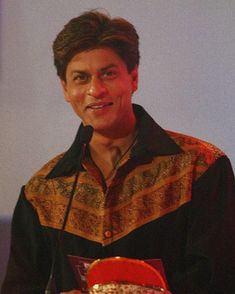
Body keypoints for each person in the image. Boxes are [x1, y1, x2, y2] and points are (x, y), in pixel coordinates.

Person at [1, 9, 235, 294]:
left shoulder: (200, 168)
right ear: (65, 88)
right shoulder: (41, 192)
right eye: (81, 78)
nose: (95, 90)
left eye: (108, 74)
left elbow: (221, 280)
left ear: (133, 78)